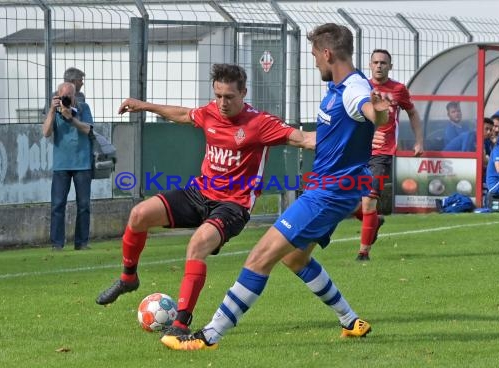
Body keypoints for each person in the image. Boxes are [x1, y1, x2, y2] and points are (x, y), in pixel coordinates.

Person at [161, 23, 391, 351]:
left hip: (329, 193)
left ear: (327, 54)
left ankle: (209, 336)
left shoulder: (353, 89)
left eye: (315, 55)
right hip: (334, 190)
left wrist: (378, 115)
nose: (314, 62)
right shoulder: (341, 87)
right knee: (294, 259)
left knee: (259, 258)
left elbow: (369, 111)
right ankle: (351, 321)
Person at [95, 64, 316, 337]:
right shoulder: (210, 112)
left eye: (230, 97)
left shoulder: (260, 124)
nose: (223, 103)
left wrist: (347, 140)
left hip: (233, 206)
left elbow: (305, 139)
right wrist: (144, 105)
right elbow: (184, 115)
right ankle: (128, 278)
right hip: (199, 193)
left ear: (244, 93)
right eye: (219, 95)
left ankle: (180, 325)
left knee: (197, 244)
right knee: (139, 214)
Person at [353, 49, 423, 261]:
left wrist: (419, 140)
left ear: (390, 66)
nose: (379, 66)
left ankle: (363, 252)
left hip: (382, 153)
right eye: (375, 62)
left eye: (383, 62)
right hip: (358, 151)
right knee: (346, 201)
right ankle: (375, 221)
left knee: (368, 202)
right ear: (370, 64)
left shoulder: (398, 89)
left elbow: (412, 112)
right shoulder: (360, 87)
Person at [42, 82, 94, 250]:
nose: (67, 99)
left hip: (82, 163)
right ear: (58, 95)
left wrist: (72, 119)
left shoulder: (83, 108)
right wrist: (52, 110)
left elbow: (88, 129)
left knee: (84, 205)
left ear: (74, 95)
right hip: (61, 164)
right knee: (57, 205)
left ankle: (82, 243)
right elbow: (46, 132)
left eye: (70, 96)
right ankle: (57, 243)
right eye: (64, 96)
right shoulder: (54, 110)